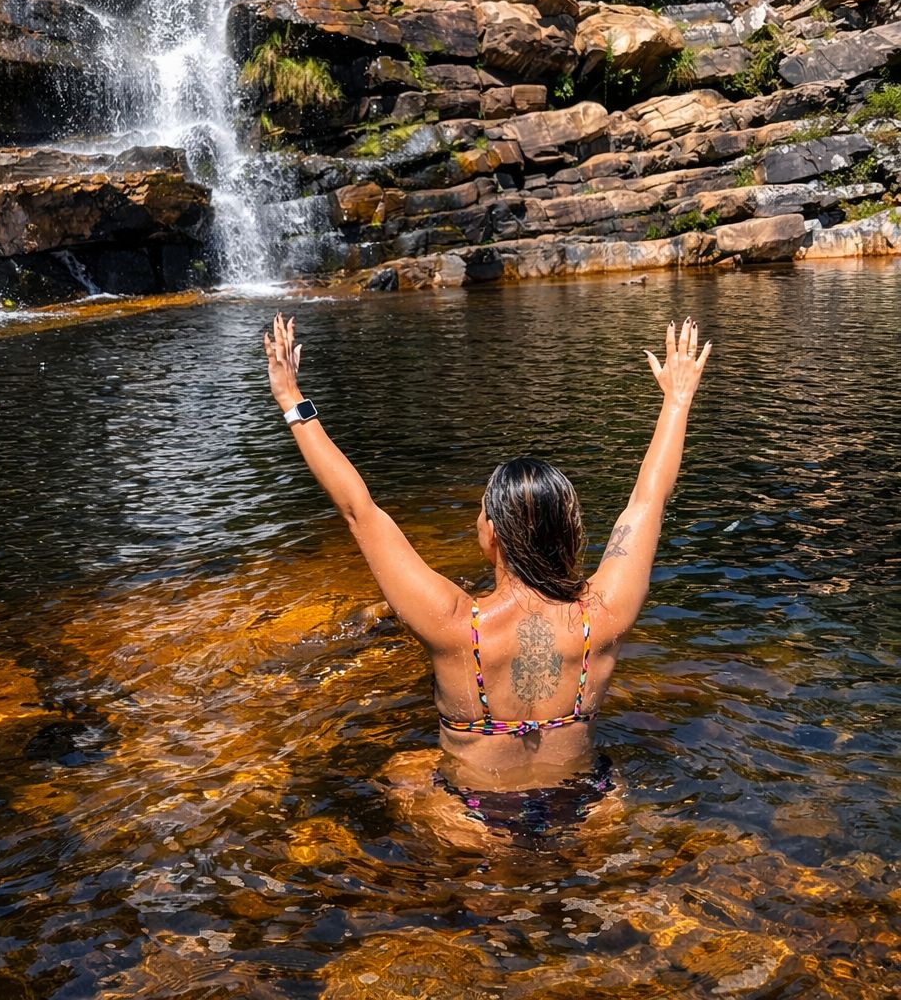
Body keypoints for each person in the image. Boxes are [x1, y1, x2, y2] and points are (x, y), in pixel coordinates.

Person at [264, 312, 711, 803]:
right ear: (567, 530)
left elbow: (359, 510)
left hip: (472, 820)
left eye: (480, 511)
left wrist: (291, 399)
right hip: (586, 804)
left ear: (492, 534)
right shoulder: (601, 618)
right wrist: (677, 400)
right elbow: (647, 502)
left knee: (400, 773)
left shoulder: (455, 625)